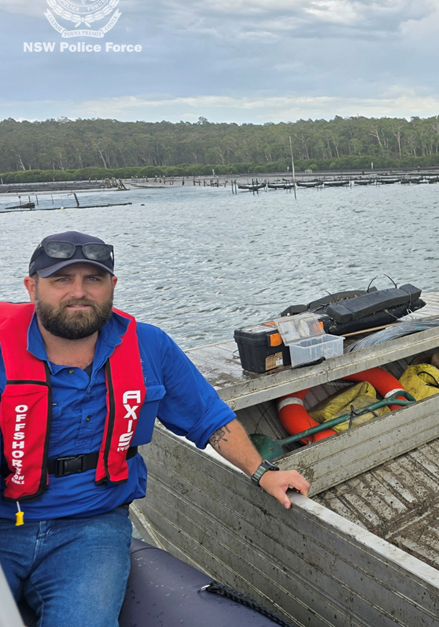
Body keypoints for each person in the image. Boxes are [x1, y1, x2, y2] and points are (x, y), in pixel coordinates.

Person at [0, 231, 311, 626]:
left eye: (93, 279)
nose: (78, 292)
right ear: (32, 287)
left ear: (112, 286)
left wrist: (263, 471)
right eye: (61, 279)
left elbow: (209, 417)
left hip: (91, 527)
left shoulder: (149, 345)